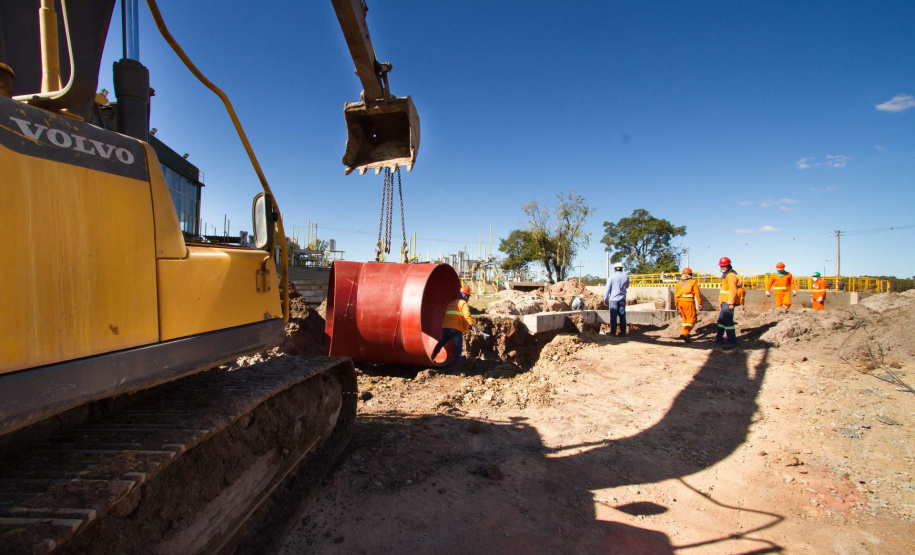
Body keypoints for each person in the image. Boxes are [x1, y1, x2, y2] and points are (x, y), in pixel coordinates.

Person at [430, 285, 475, 364]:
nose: (468, 298)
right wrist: (473, 324)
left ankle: (431, 358)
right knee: (458, 348)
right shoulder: (463, 303)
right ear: (465, 296)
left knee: (440, 343)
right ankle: (455, 366)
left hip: (446, 327)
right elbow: (467, 316)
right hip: (456, 328)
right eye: (468, 296)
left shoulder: (451, 303)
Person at [715, 256, 740, 349]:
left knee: (728, 321)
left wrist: (731, 303)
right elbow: (724, 290)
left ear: (729, 265)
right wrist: (721, 301)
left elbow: (733, 290)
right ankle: (719, 338)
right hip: (725, 301)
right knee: (721, 320)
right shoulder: (726, 276)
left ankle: (732, 341)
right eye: (721, 266)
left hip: (729, 302)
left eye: (724, 266)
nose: (722, 268)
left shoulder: (731, 276)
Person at [674, 267, 702, 342]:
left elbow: (675, 295)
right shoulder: (693, 282)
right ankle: (685, 333)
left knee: (684, 319)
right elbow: (697, 294)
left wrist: (676, 305)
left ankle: (684, 333)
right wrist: (699, 303)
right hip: (688, 302)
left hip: (680, 302)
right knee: (692, 319)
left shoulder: (679, 283)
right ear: (690, 274)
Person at [603, 263, 629, 336]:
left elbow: (607, 289)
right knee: (622, 316)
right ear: (622, 268)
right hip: (622, 299)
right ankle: (623, 332)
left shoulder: (612, 277)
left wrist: (605, 299)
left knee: (613, 316)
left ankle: (613, 332)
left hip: (613, 300)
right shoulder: (626, 277)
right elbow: (627, 286)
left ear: (615, 269)